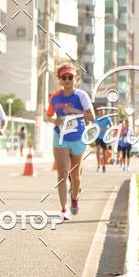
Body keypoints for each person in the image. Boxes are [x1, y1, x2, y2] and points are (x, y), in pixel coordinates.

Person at [46, 61, 93, 220]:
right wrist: (55, 121)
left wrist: (73, 111)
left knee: (75, 175)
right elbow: (49, 115)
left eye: (70, 77)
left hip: (78, 137)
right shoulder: (55, 97)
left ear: (75, 79)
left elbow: (91, 117)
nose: (67, 80)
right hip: (61, 137)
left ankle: (74, 198)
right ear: (59, 80)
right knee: (62, 173)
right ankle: (64, 209)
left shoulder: (81, 95)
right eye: (64, 77)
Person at [94, 106, 112, 173]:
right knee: (98, 150)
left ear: (104, 111)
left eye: (102, 111)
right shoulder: (96, 119)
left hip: (105, 137)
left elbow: (111, 126)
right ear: (98, 112)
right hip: (98, 136)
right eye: (100, 111)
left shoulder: (107, 118)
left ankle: (104, 165)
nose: (101, 112)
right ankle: (98, 165)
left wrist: (109, 132)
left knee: (104, 151)